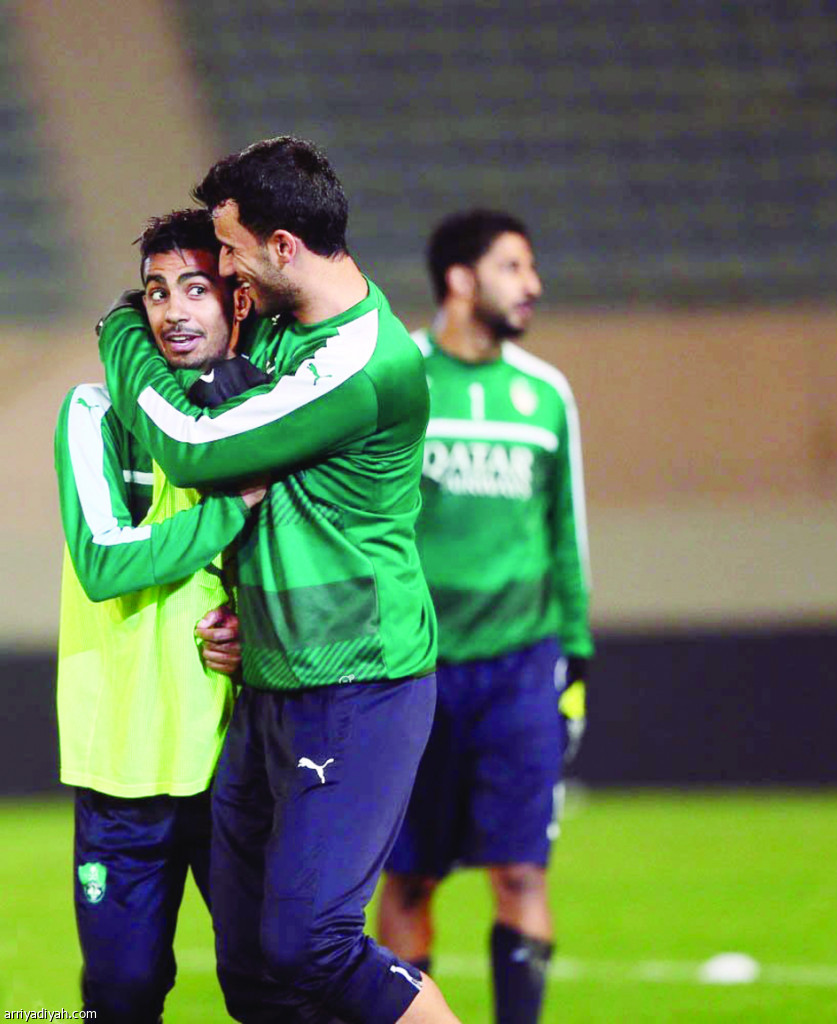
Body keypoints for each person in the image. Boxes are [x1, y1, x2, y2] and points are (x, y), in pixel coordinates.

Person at [95, 136, 460, 1024]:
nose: (222, 271)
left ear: (284, 247)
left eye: (231, 250)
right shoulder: (275, 322)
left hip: (356, 680)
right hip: (272, 678)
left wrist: (122, 334)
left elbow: (194, 446)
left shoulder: (360, 364)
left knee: (311, 944)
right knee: (255, 967)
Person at [377, 209, 594, 1024]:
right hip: (415, 672)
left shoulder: (545, 394)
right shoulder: (400, 379)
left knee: (522, 872)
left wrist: (576, 653)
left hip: (521, 669)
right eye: (514, 267)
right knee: (409, 879)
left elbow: (566, 532)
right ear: (461, 279)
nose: (532, 284)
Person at [55, 208, 266, 1022]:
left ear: (235, 300)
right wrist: (232, 508)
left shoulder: (261, 414)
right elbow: (105, 562)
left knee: (268, 985)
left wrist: (257, 630)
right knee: (123, 995)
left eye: (195, 288)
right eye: (156, 292)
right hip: (121, 765)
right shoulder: (92, 414)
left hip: (232, 761)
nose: (174, 310)